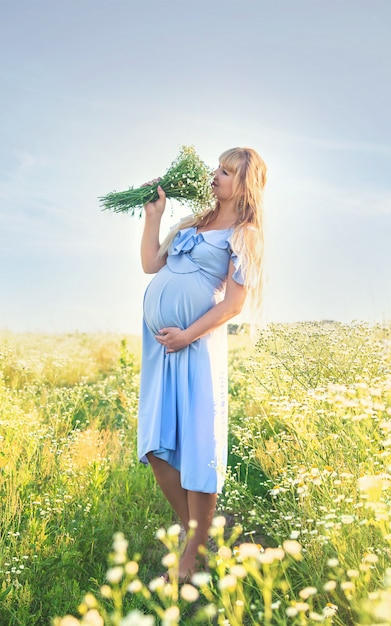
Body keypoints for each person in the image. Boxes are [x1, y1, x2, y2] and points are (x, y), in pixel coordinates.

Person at [137, 147, 267, 580]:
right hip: (161, 347)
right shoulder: (194, 222)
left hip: (195, 347)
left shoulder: (245, 234)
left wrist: (188, 335)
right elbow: (150, 264)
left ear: (244, 184)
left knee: (198, 447)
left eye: (226, 171)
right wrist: (155, 215)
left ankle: (191, 556)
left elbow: (233, 303)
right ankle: (200, 534)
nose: (215, 175)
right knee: (156, 447)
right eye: (217, 167)